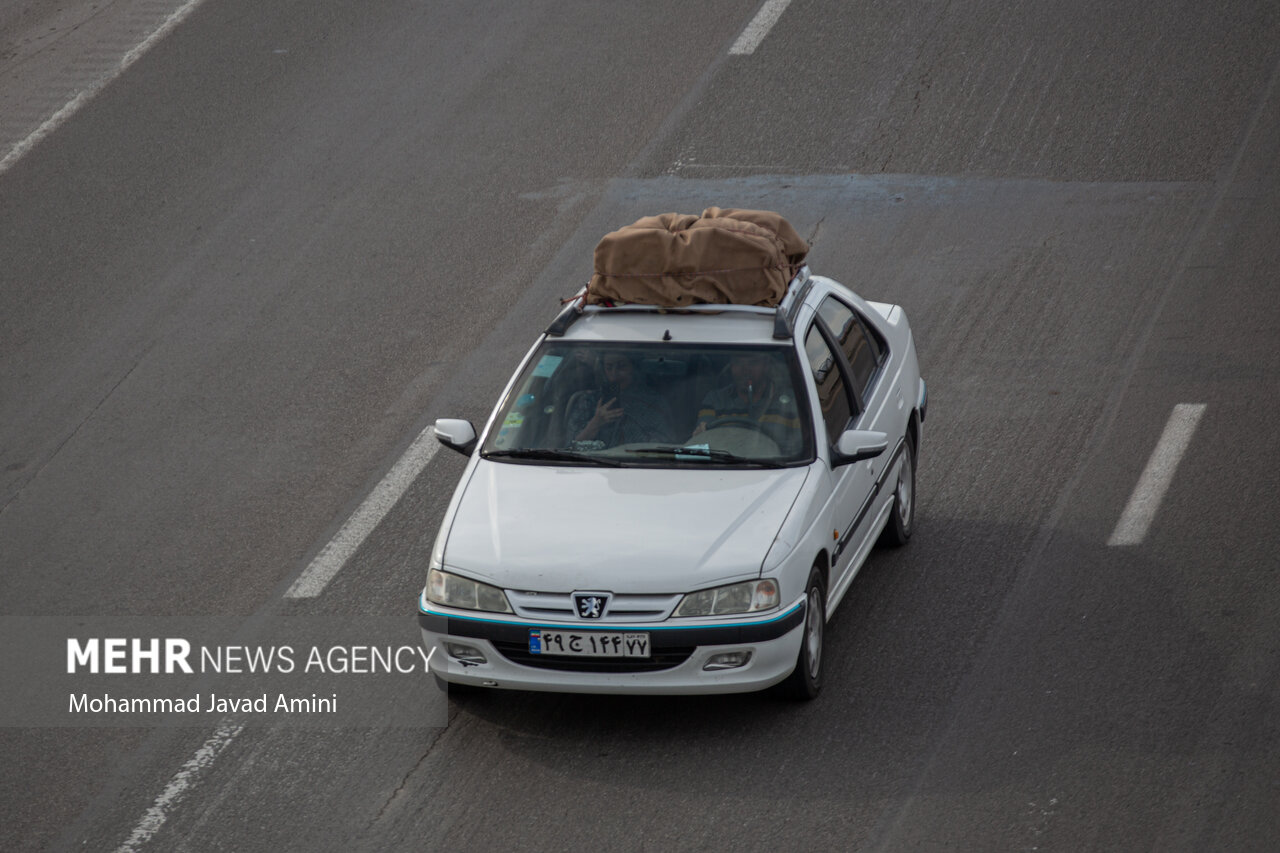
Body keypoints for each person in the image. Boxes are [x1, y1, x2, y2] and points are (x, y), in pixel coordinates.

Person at [692, 351, 801, 446]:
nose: (745, 370)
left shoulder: (790, 401)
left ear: (766, 365)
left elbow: (797, 446)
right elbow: (703, 439)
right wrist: (701, 433)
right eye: (738, 363)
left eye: (753, 363)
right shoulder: (715, 399)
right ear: (731, 365)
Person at [565, 353, 674, 446]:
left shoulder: (653, 402)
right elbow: (571, 447)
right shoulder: (587, 401)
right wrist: (596, 422)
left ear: (634, 368)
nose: (614, 374)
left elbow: (663, 444)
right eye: (609, 367)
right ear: (602, 369)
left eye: (622, 366)